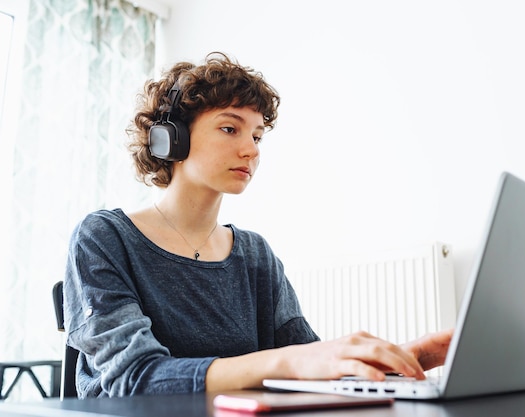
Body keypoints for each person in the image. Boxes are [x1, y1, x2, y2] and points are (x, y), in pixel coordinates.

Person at [63, 52, 453, 398]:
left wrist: (393, 362)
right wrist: (285, 363)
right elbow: (134, 377)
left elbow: (308, 361)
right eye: (230, 129)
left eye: (257, 135)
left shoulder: (254, 254)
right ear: (170, 139)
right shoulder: (103, 238)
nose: (250, 149)